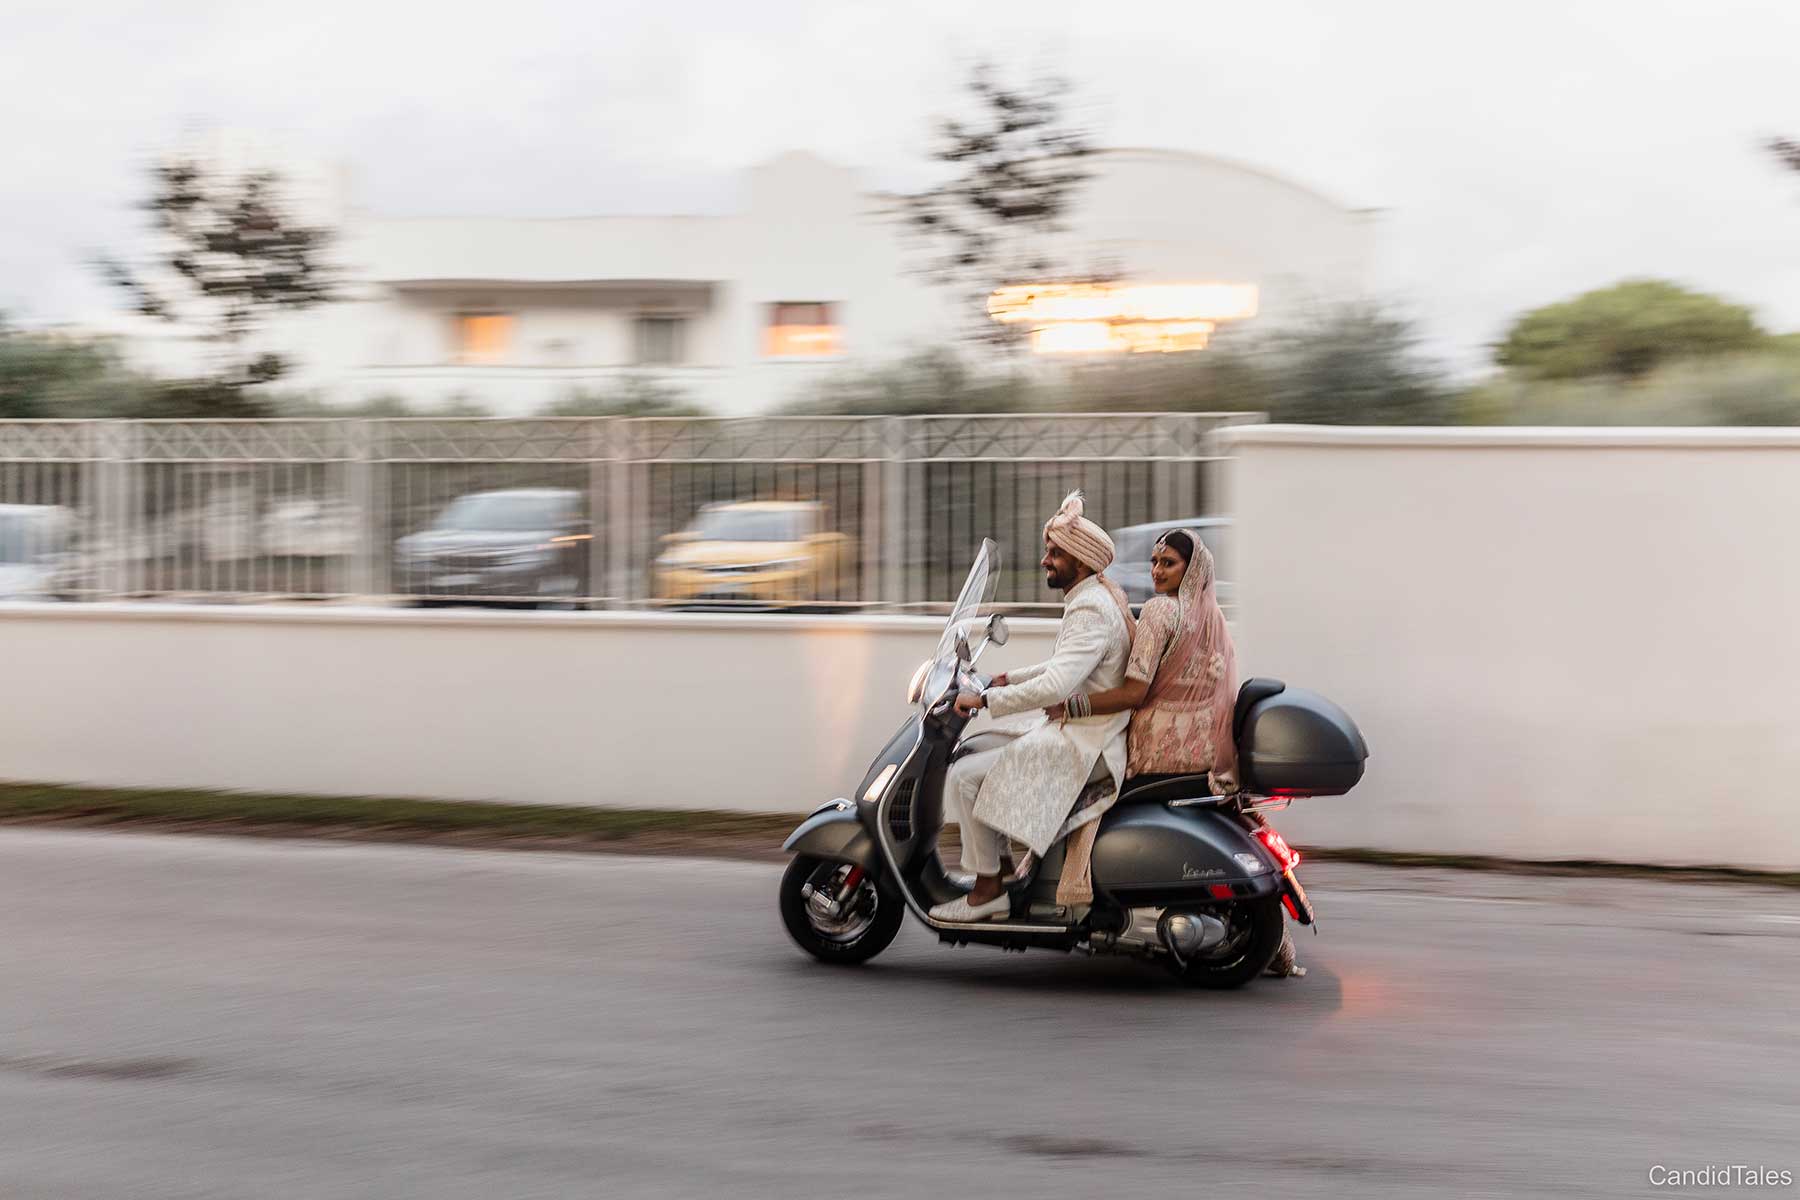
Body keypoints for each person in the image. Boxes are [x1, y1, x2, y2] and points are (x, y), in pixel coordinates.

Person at [1048, 528, 1304, 977]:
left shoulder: (1160, 612)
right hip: (1206, 750)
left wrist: (1072, 705)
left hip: (1156, 749)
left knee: (1075, 783)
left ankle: (1068, 886)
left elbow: (1133, 691)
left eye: (1169, 563)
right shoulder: (1212, 616)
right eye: (1154, 562)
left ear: (1192, 569)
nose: (1157, 571)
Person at [927, 492, 1136, 923]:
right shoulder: (1091, 599)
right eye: (1048, 551)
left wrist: (985, 699)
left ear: (1080, 562)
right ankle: (1000, 872)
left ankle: (987, 893)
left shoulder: (1091, 610)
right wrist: (1004, 678)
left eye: (1055, 553)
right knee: (975, 753)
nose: (1045, 561)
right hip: (1080, 732)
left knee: (966, 777)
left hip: (1088, 744)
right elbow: (1062, 666)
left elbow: (1058, 684)